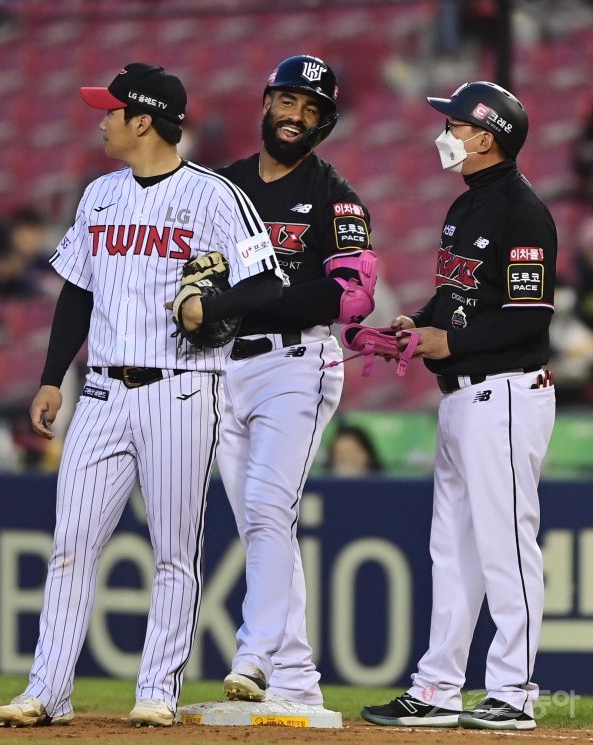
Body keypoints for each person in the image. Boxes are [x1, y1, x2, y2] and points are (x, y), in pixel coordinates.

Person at [0, 62, 282, 729]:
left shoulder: (213, 195)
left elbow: (266, 281)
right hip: (101, 391)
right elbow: (77, 291)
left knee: (174, 551)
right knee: (71, 542)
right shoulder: (99, 195)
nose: (102, 122)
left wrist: (210, 308)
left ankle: (157, 690)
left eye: (111, 111)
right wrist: (50, 377)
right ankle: (47, 691)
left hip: (179, 389)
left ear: (143, 120)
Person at [361, 81, 556, 731]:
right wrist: (417, 324)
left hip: (505, 392)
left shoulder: (523, 212)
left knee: (506, 547)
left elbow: (530, 318)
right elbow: (456, 297)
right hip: (463, 397)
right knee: (452, 551)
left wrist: (451, 341)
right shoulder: (466, 204)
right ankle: (439, 687)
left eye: (456, 124)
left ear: (487, 137)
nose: (445, 132)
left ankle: (514, 692)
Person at [213, 55, 376, 716]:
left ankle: (253, 654)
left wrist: (250, 301)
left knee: (265, 508)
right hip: (225, 366)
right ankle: (297, 679)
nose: (296, 117)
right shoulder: (225, 187)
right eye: (289, 102)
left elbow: (350, 295)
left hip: (296, 363)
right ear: (267, 102)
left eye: (312, 111)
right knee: (263, 525)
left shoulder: (336, 196)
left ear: (323, 124)